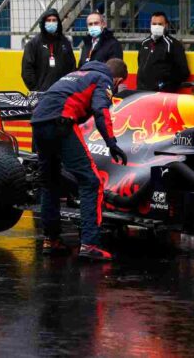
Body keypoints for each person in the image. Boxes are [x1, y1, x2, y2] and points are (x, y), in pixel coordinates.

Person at [30, 58, 130, 261]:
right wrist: (111, 143)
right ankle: (90, 244)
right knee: (91, 181)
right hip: (61, 122)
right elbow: (101, 110)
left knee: (49, 183)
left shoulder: (77, 74)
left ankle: (51, 240)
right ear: (118, 79)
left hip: (38, 123)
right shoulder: (104, 79)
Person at [21, 8, 76, 92]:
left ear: (58, 23)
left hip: (62, 93)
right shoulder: (33, 44)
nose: (51, 22)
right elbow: (27, 70)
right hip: (41, 94)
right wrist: (36, 90)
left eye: (54, 20)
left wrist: (68, 88)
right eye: (48, 20)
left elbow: (72, 67)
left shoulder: (65, 43)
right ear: (43, 23)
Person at [137, 12, 191, 92]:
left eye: (160, 24)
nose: (156, 26)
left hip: (162, 94)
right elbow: (140, 63)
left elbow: (183, 72)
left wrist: (165, 85)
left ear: (166, 25)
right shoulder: (145, 43)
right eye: (154, 24)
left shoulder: (173, 45)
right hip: (141, 92)